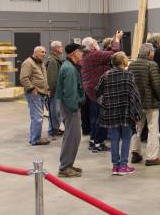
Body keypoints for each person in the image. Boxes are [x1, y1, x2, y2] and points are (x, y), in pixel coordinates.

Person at [96, 52, 142, 176]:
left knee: (114, 139)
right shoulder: (128, 75)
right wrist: (137, 114)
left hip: (111, 113)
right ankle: (123, 166)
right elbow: (135, 95)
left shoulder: (106, 75)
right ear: (123, 61)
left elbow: (97, 91)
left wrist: (104, 103)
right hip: (126, 112)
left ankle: (115, 166)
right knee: (126, 139)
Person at [81, 30, 122, 152]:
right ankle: (99, 143)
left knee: (95, 117)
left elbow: (105, 54)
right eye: (95, 42)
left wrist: (113, 40)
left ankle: (94, 140)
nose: (97, 44)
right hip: (97, 90)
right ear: (92, 46)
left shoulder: (88, 55)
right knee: (101, 117)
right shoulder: (93, 55)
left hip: (91, 89)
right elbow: (115, 53)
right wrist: (118, 40)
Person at [128, 43, 160, 166]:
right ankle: (152, 157)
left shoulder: (132, 64)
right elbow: (156, 85)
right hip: (150, 103)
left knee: (136, 129)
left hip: (136, 103)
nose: (154, 53)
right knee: (153, 130)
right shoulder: (152, 65)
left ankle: (135, 153)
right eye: (153, 51)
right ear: (149, 53)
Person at [56, 43, 86, 178]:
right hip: (70, 107)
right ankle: (64, 167)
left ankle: (68, 164)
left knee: (73, 136)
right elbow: (69, 92)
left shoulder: (69, 66)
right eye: (80, 51)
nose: (82, 54)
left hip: (69, 105)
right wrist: (74, 108)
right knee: (72, 137)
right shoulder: (69, 69)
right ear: (73, 53)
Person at [20, 46, 50, 146]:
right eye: (42, 52)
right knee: (37, 117)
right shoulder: (28, 63)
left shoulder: (40, 63)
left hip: (41, 93)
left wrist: (47, 89)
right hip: (34, 94)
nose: (44, 54)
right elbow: (24, 78)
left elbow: (43, 78)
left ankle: (35, 137)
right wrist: (31, 89)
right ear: (36, 52)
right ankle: (35, 139)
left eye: (45, 52)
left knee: (38, 117)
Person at [45, 41, 64, 139]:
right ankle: (53, 129)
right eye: (61, 47)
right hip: (55, 90)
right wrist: (51, 90)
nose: (62, 48)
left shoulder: (55, 59)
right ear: (56, 48)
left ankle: (55, 128)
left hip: (57, 89)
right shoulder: (52, 61)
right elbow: (52, 78)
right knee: (54, 110)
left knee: (57, 110)